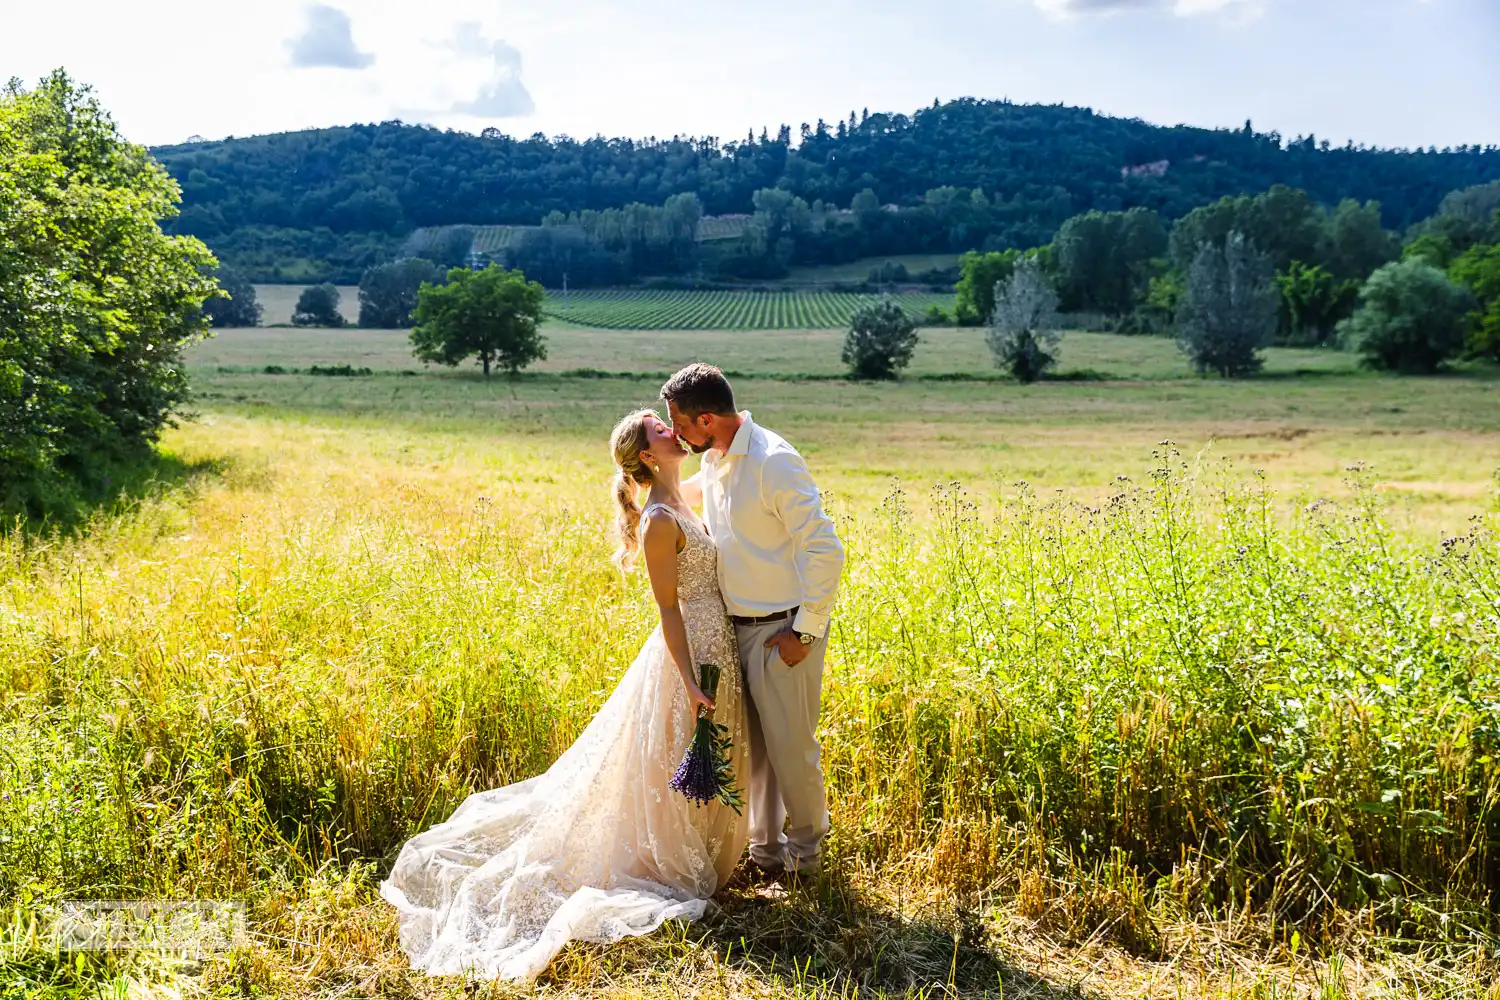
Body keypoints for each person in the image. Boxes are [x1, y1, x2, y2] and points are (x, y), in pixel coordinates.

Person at [379, 409, 748, 982]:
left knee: (690, 753)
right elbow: (668, 610)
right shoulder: (656, 520)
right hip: (689, 652)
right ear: (648, 455)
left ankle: (704, 844)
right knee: (674, 751)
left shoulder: (680, 496)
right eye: (659, 429)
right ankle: (668, 860)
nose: (673, 432)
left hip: (716, 640)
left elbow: (721, 475)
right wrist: (690, 680)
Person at [662, 363, 844, 879]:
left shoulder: (773, 462)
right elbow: (684, 497)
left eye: (678, 424)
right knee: (757, 752)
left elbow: (825, 549)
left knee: (793, 752)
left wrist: (805, 631)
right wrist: (639, 480)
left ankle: (809, 862)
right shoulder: (717, 457)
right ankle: (766, 854)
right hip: (734, 629)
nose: (675, 433)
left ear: (705, 419)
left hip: (782, 630)